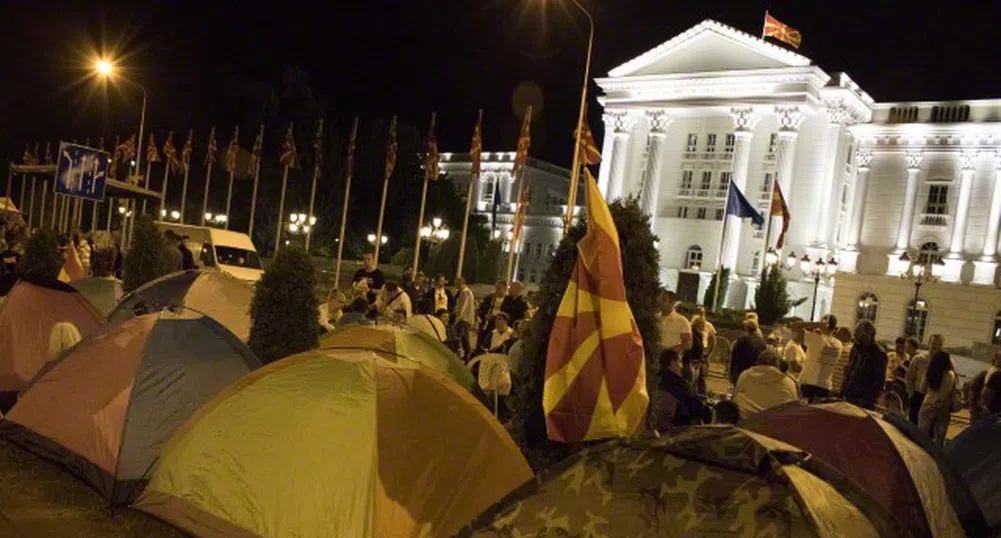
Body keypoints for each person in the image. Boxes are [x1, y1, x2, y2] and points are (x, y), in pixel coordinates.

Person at [650, 349, 711, 430]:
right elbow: (699, 407)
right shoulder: (677, 384)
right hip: (676, 432)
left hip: (657, 428)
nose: (681, 366)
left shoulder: (658, 380)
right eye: (679, 361)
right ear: (672, 363)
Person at [841, 320, 888, 410]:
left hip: (863, 401)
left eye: (857, 332)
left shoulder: (878, 353)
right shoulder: (856, 349)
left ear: (867, 334)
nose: (854, 335)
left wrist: (866, 400)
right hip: (849, 396)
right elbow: (850, 370)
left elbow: (878, 381)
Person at [796, 315, 843, 401]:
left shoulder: (815, 338)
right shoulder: (839, 344)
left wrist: (817, 325)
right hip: (826, 385)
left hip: (809, 383)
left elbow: (796, 326)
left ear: (824, 324)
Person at [918, 351, 958, 445]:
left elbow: (921, 389)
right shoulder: (951, 375)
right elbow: (949, 392)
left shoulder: (929, 372)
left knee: (921, 436)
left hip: (928, 405)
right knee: (939, 440)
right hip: (943, 409)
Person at [906, 333, 944, 425]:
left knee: (929, 429)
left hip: (934, 399)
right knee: (913, 425)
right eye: (933, 343)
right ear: (929, 344)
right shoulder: (919, 359)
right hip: (918, 396)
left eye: (939, 344)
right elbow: (909, 378)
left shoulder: (946, 362)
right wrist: (911, 395)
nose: (936, 346)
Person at [729, 319, 765, 386]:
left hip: (742, 369)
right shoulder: (761, 341)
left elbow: (736, 355)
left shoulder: (743, 339)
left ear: (747, 328)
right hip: (755, 371)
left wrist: (732, 371)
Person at [691, 307, 716, 395]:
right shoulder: (692, 326)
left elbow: (713, 340)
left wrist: (709, 354)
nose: (700, 315)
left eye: (701, 313)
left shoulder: (708, 326)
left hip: (703, 352)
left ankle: (702, 395)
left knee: (701, 377)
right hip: (695, 353)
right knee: (695, 377)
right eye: (698, 313)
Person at [477, 281, 508, 346]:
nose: (497, 290)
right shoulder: (489, 298)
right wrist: (485, 316)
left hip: (498, 327)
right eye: (496, 288)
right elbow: (480, 310)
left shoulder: (507, 301)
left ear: (505, 289)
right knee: (481, 343)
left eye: (499, 288)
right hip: (486, 324)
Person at [453, 276, 477, 360]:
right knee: (464, 338)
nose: (455, 286)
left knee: (457, 337)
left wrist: (458, 318)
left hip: (463, 319)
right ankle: (468, 354)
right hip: (465, 318)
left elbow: (463, 306)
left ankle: (463, 354)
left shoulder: (465, 292)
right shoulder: (465, 292)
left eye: (456, 284)